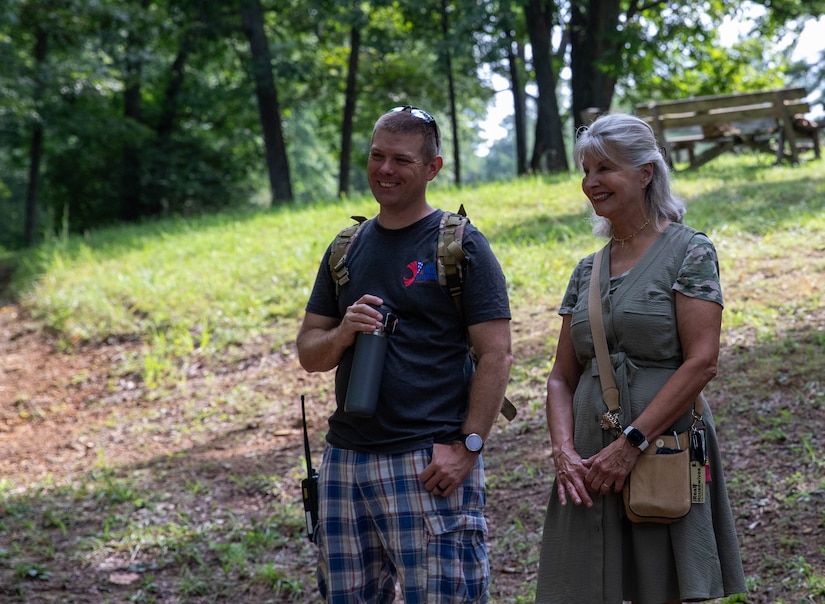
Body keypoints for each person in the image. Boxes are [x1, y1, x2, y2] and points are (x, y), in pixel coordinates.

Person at [296, 105, 512, 603]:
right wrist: (344, 332)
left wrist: (467, 448)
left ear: (432, 168)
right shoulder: (345, 248)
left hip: (427, 463)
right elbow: (310, 351)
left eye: (401, 160)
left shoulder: (460, 246)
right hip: (345, 464)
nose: (385, 170)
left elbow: (496, 355)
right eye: (376, 156)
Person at [534, 113, 747, 603]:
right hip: (588, 463)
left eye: (604, 169)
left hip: (662, 451)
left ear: (645, 172)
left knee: (663, 589)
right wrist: (564, 452)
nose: (590, 183)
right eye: (585, 171)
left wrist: (631, 443)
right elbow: (561, 378)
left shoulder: (690, 251)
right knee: (585, 588)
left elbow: (702, 362)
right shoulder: (586, 269)